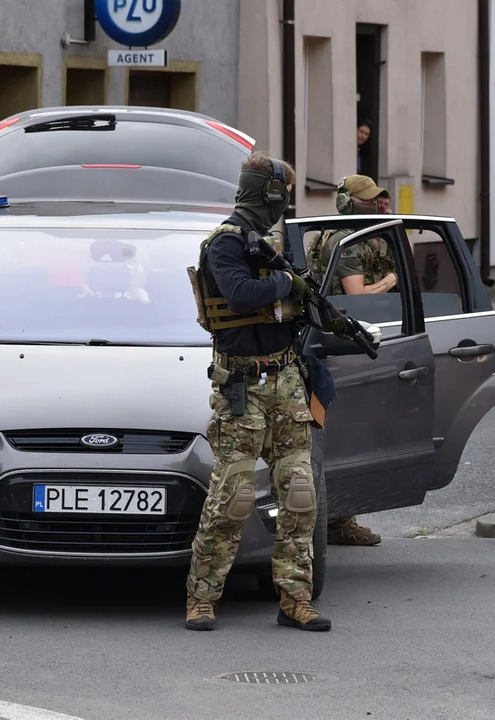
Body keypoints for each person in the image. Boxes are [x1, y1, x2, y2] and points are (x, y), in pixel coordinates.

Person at [184, 152, 333, 632]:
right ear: (267, 193)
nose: (286, 203)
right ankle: (202, 599)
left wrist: (299, 291)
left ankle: (295, 599)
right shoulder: (225, 245)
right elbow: (241, 295)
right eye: (282, 193)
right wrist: (287, 281)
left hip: (286, 380)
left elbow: (294, 304)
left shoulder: (276, 244)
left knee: (300, 495)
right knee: (233, 497)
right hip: (242, 385)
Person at [303, 174, 397, 546]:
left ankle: (336, 517)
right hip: (345, 345)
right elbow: (356, 295)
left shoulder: (335, 235)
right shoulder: (347, 243)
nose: (375, 205)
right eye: (367, 199)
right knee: (346, 434)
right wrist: (391, 280)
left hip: (337, 341)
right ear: (347, 202)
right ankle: (338, 519)